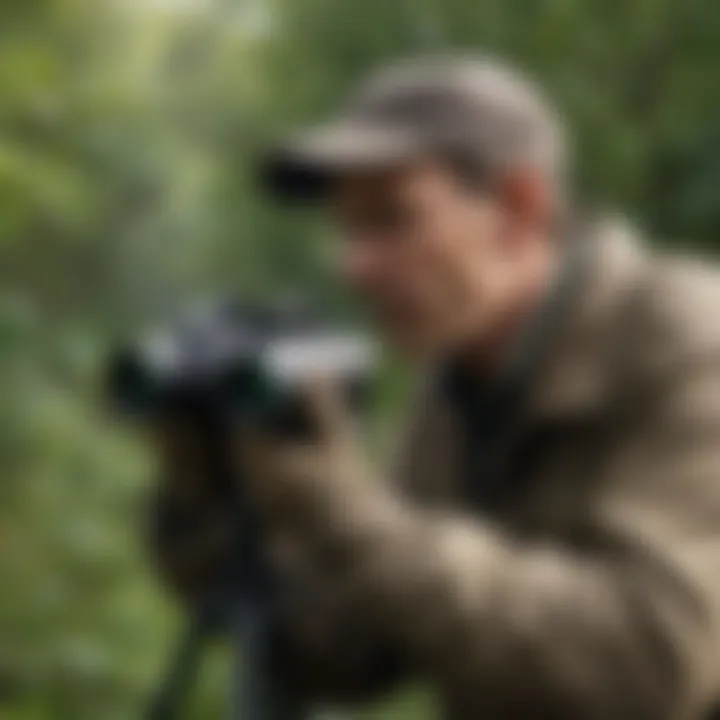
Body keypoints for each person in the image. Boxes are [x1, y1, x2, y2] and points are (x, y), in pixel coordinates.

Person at [154, 56, 720, 719]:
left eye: (391, 220)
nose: (353, 265)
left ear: (518, 209)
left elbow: (648, 662)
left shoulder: (689, 345)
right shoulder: (458, 379)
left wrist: (344, 513)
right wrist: (207, 500)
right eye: (346, 228)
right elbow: (353, 653)